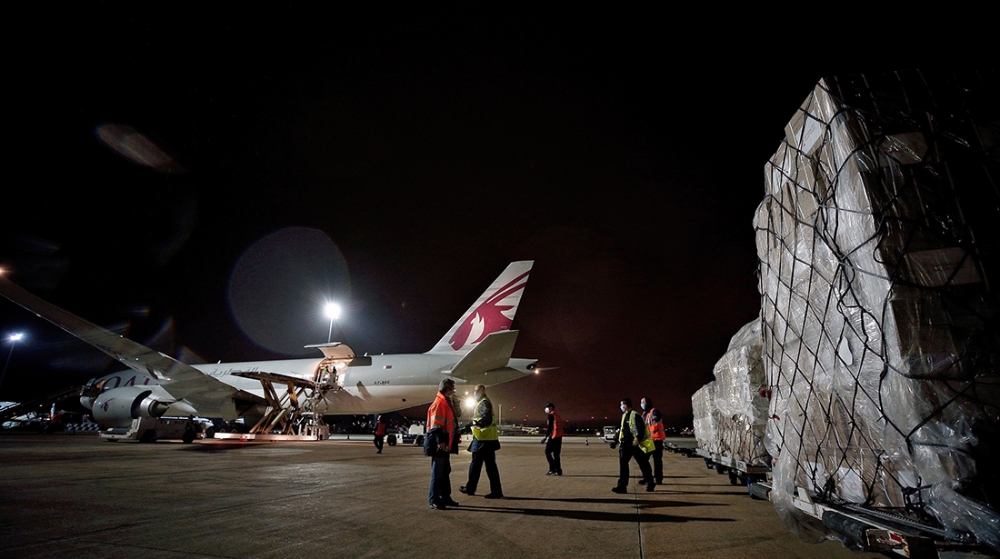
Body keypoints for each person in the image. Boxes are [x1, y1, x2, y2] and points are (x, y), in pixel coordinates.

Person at [459, 384, 504, 499]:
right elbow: (479, 420)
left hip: (483, 439)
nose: (474, 393)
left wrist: (471, 425)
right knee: (489, 466)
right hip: (487, 439)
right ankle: (496, 491)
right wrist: (468, 426)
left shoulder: (483, 402)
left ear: (482, 390)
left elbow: (486, 420)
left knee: (476, 465)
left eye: (476, 390)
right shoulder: (483, 402)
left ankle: (471, 488)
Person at [425, 378, 460, 510]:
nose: (454, 391)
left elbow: (456, 417)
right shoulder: (439, 403)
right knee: (438, 472)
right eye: (453, 389)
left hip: (445, 443)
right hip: (439, 443)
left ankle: (445, 497)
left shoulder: (446, 402)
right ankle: (433, 499)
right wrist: (441, 441)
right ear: (448, 389)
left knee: (445, 471)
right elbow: (435, 425)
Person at [610, 398, 654, 493]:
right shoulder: (624, 416)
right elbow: (622, 430)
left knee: (643, 463)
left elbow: (641, 429)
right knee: (623, 465)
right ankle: (622, 486)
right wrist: (615, 441)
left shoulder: (635, 415)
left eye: (622, 405)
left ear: (626, 405)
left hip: (634, 445)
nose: (621, 407)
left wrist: (637, 439)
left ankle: (650, 482)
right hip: (625, 445)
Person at [641, 397, 666, 484]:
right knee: (643, 460)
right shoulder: (644, 414)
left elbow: (657, 418)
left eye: (643, 402)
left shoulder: (654, 412)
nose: (642, 405)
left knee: (657, 461)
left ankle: (658, 479)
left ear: (648, 403)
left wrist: (655, 418)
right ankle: (646, 477)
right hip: (648, 441)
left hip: (657, 440)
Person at [541, 402, 563, 476]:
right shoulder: (557, 415)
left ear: (550, 408)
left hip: (553, 436)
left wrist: (545, 437)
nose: (546, 409)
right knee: (556, 454)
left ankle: (553, 468)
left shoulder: (551, 415)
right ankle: (558, 471)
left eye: (547, 407)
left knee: (547, 452)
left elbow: (550, 427)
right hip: (559, 436)